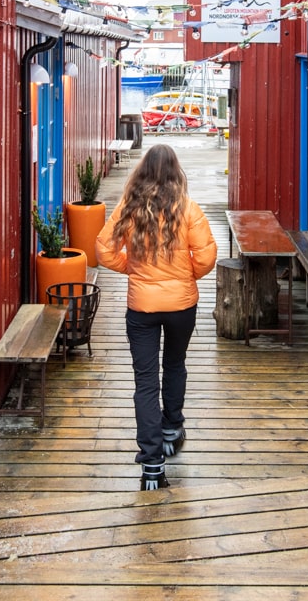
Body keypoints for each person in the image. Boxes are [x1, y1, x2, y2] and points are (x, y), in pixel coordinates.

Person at [96, 144, 217, 490]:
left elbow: (103, 250)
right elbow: (207, 257)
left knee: (145, 383)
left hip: (141, 309)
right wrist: (187, 276)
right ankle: (171, 427)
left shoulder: (129, 207)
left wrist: (132, 268)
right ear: (176, 172)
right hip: (182, 306)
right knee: (175, 365)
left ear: (142, 173)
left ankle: (151, 463)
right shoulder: (189, 209)